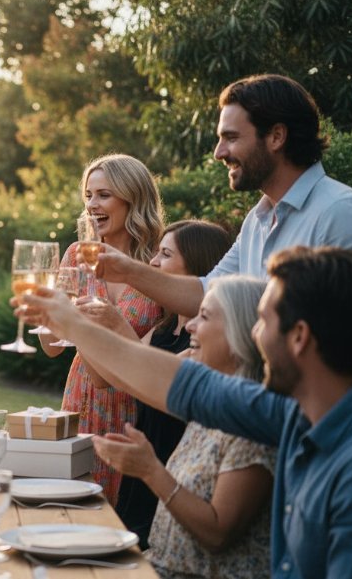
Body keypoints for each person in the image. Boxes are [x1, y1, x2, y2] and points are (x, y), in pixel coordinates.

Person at [18, 245, 352, 578]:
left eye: (263, 322)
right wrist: (72, 323)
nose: (252, 334)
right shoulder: (293, 412)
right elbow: (181, 383)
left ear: (300, 338)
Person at [94, 74, 352, 383]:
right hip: (264, 418)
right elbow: (208, 293)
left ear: (276, 137)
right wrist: (127, 270)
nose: (219, 152)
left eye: (231, 137)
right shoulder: (257, 220)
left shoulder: (342, 214)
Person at [97, 277, 275, 578]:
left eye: (204, 316)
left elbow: (217, 534)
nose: (190, 326)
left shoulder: (252, 422)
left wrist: (150, 470)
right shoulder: (211, 409)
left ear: (240, 334)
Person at [39, 153, 165, 503]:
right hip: (82, 399)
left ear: (133, 198)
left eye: (104, 195)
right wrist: (47, 311)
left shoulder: (159, 261)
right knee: (76, 502)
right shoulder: (77, 255)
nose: (92, 205)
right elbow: (51, 346)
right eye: (89, 196)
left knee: (124, 510)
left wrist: (76, 323)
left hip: (134, 404)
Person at [103, 220, 233, 550]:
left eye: (165, 254)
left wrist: (114, 324)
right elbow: (125, 376)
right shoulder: (162, 330)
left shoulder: (206, 346)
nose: (153, 263)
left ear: (199, 269)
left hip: (171, 477)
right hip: (140, 482)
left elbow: (147, 377)